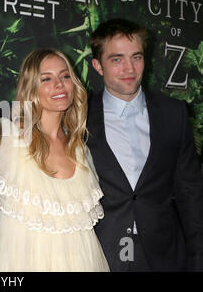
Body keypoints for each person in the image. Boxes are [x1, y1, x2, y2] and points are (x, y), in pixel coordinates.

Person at [87, 18, 203, 271]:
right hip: (101, 255)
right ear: (98, 65)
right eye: (116, 59)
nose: (129, 68)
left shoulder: (174, 113)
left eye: (136, 57)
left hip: (165, 256)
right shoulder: (79, 116)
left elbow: (190, 193)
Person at [0, 48, 109, 271]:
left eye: (65, 76)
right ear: (31, 87)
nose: (59, 84)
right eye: (46, 79)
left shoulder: (80, 151)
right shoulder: (9, 138)